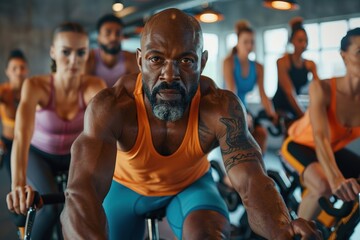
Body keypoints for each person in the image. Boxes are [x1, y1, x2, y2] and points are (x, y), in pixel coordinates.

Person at [60, 9, 321, 240]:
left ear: (202, 62)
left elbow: (252, 180)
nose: (170, 75)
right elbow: (82, 191)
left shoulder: (220, 107)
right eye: (156, 59)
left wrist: (282, 229)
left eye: (185, 61)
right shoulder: (113, 106)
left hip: (191, 187)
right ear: (140, 60)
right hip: (124, 188)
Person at [6, 22, 106, 239]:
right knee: (48, 208)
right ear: (53, 52)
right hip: (39, 154)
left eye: (81, 52)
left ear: (88, 53)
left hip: (73, 156)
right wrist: (18, 185)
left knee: (78, 209)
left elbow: (106, 132)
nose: (73, 60)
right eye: (66, 52)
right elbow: (22, 137)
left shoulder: (94, 86)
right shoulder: (35, 86)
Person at [280, 27, 360, 221]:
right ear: (344, 56)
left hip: (330, 150)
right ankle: (296, 234)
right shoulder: (322, 88)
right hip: (299, 145)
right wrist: (335, 179)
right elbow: (321, 137)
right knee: (324, 184)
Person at [223, 20, 277, 153]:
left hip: (244, 107)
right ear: (238, 43)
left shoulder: (258, 67)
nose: (249, 45)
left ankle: (259, 169)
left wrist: (273, 114)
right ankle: (231, 173)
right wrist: (242, 115)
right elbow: (232, 92)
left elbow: (263, 94)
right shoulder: (229, 62)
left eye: (252, 42)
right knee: (240, 140)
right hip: (229, 106)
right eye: (245, 42)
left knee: (262, 134)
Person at [273, 17, 319, 124]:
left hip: (294, 106)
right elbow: (290, 92)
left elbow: (319, 87)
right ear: (292, 41)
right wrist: (303, 115)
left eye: (306, 41)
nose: (304, 44)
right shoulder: (282, 62)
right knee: (291, 127)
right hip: (280, 106)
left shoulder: (310, 64)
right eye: (300, 40)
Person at [85, 13, 139, 87]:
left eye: (118, 33)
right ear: (99, 38)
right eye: (108, 33)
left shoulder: (130, 58)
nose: (113, 38)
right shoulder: (90, 58)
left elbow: (137, 88)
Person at [0, 49, 28, 181]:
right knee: (15, 181)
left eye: (22, 68)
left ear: (26, 70)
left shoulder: (32, 91)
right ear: (7, 71)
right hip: (8, 143)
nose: (18, 72)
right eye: (14, 68)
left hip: (29, 143)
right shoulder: (3, 91)